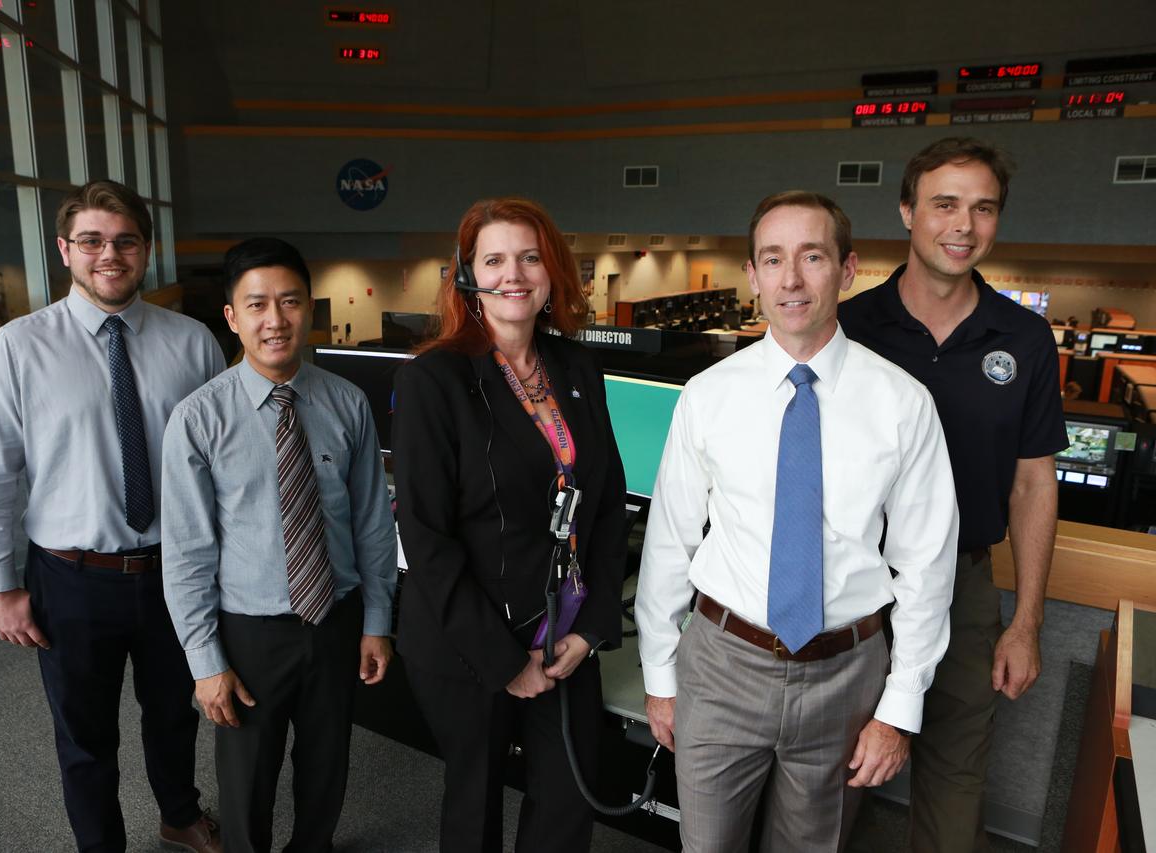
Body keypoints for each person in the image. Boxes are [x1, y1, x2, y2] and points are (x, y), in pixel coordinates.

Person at [636, 191, 960, 852]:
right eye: (773, 259)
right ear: (752, 275)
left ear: (846, 269)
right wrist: (660, 681)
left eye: (811, 256)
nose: (791, 279)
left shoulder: (902, 403)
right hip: (722, 665)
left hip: (847, 675)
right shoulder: (708, 396)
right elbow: (668, 545)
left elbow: (927, 567)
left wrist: (898, 711)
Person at [0, 179, 225, 853]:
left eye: (125, 240)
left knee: (174, 711)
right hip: (70, 577)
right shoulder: (16, 349)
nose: (110, 254)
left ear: (146, 249)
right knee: (83, 730)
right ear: (65, 250)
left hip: (176, 570)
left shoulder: (193, 343)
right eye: (92, 241)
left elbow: (220, 464)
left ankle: (179, 813)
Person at [840, 137, 1068, 852]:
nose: (963, 225)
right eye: (944, 204)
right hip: (855, 582)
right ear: (908, 210)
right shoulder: (847, 327)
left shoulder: (1025, 339)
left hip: (966, 585)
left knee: (956, 772)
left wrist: (1025, 621)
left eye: (983, 208)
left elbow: (1034, 482)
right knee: (830, 766)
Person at [391, 197, 627, 852]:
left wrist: (591, 625)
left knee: (565, 807)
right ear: (467, 277)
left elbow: (604, 506)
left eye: (529, 256)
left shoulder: (577, 366)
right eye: (493, 259)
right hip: (468, 642)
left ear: (552, 271)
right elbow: (427, 538)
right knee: (475, 808)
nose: (514, 273)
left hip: (564, 634)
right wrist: (503, 662)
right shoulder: (434, 379)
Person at [161, 237, 398, 853]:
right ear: (232, 317)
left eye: (290, 302)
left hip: (335, 618)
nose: (276, 320)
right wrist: (205, 660)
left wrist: (377, 621)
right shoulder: (198, 418)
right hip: (249, 631)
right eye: (258, 304)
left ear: (309, 310)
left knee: (326, 767)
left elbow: (373, 522)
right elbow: (186, 552)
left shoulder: (347, 402)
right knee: (246, 782)